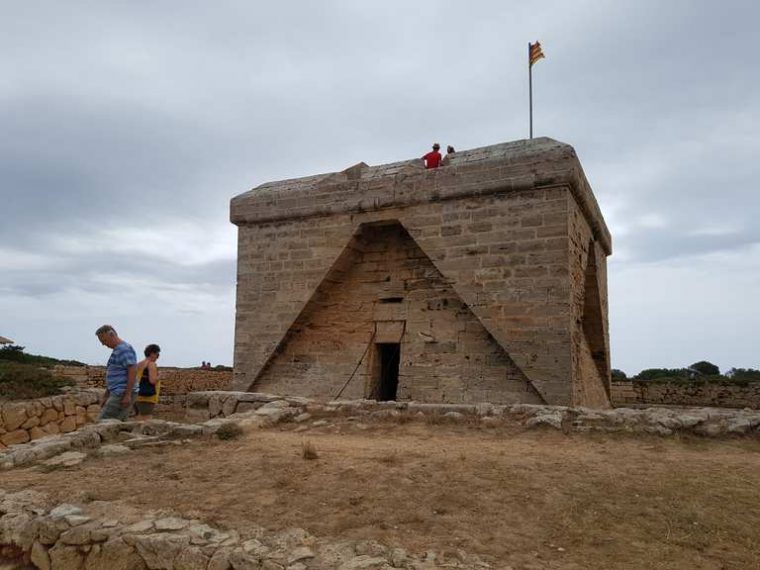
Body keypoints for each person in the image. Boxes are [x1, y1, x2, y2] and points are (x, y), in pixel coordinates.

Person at [95, 325, 138, 421]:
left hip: (121, 393)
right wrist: (106, 395)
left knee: (103, 423)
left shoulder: (124, 349)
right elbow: (115, 376)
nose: (103, 344)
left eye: (104, 341)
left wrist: (127, 394)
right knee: (118, 425)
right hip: (118, 392)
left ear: (112, 335)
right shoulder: (118, 350)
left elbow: (133, 369)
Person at [135, 344, 161, 421]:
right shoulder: (151, 364)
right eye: (157, 354)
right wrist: (160, 376)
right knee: (146, 420)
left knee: (138, 418)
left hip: (137, 396)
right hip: (148, 397)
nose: (158, 357)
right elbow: (152, 381)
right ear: (152, 353)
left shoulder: (138, 364)